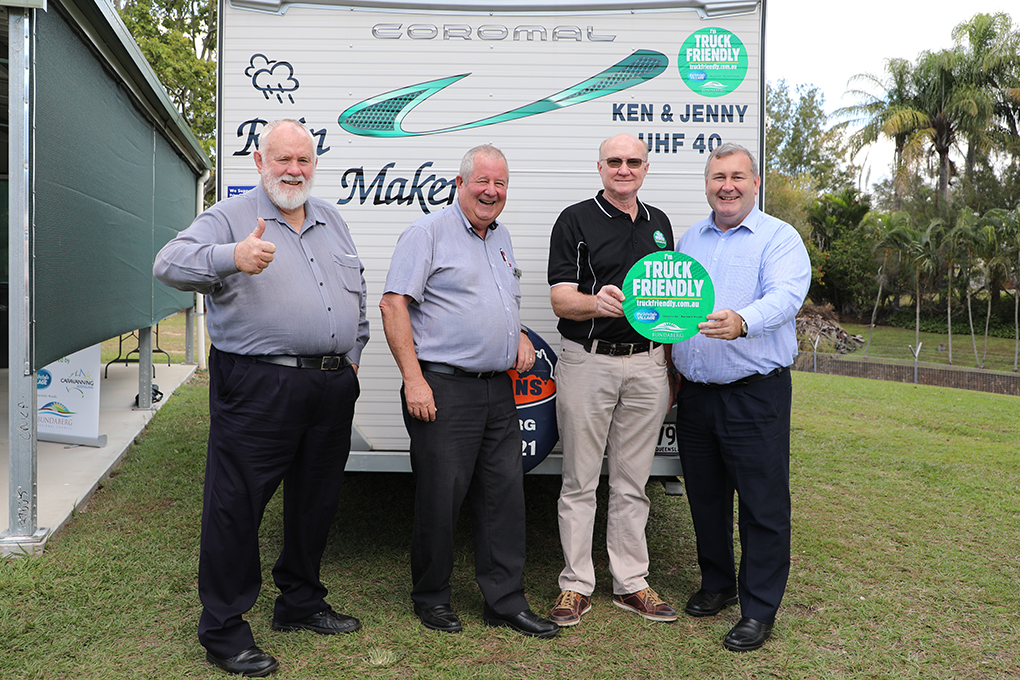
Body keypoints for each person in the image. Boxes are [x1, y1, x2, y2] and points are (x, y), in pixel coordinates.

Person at [154, 119, 369, 677]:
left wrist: (352, 356)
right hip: (258, 385)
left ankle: (299, 601)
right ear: (259, 161)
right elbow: (167, 263)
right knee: (236, 506)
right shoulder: (230, 217)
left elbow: (357, 296)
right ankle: (224, 630)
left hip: (330, 385)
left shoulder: (332, 220)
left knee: (315, 500)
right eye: (283, 160)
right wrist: (232, 257)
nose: (294, 170)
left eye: (304, 160)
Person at [379, 144, 558, 639]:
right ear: (459, 184)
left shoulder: (500, 239)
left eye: (500, 184)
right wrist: (414, 380)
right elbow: (393, 304)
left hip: (497, 392)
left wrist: (517, 333)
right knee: (441, 498)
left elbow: (496, 301)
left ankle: (504, 600)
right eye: (482, 181)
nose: (491, 191)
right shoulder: (428, 232)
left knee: (504, 497)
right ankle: (431, 598)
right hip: (442, 388)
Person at [671, 142, 811, 652]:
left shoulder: (780, 238)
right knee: (705, 498)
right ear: (706, 183)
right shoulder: (689, 239)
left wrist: (743, 319)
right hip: (697, 396)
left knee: (761, 504)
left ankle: (758, 608)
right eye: (717, 177)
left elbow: (786, 296)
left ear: (755, 183)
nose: (726, 185)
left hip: (755, 395)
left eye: (736, 176)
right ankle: (717, 585)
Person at [545, 133, 677, 627]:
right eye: (615, 162)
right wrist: (593, 302)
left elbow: (672, 305)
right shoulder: (574, 219)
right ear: (600, 167)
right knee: (580, 480)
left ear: (646, 168)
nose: (625, 169)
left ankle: (631, 584)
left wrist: (671, 363)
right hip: (589, 360)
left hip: (647, 364)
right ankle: (575, 585)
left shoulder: (659, 223)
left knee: (633, 482)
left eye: (634, 162)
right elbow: (560, 299)